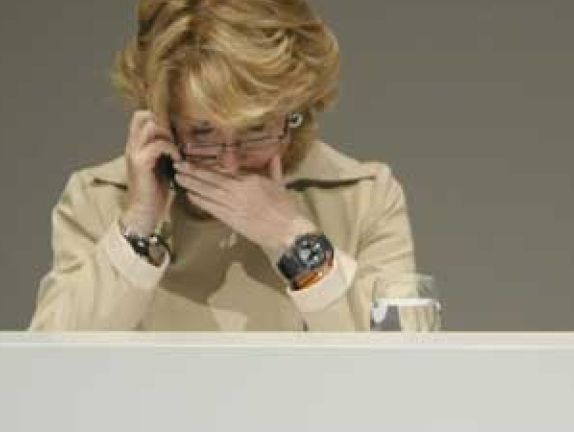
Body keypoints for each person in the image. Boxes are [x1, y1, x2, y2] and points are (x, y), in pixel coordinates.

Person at [29, 0, 415, 331]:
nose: (229, 163)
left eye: (255, 129)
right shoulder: (99, 200)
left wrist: (292, 236)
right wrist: (137, 228)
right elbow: (47, 368)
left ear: (295, 112)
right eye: (202, 132)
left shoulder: (363, 198)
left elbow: (409, 363)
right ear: (162, 120)